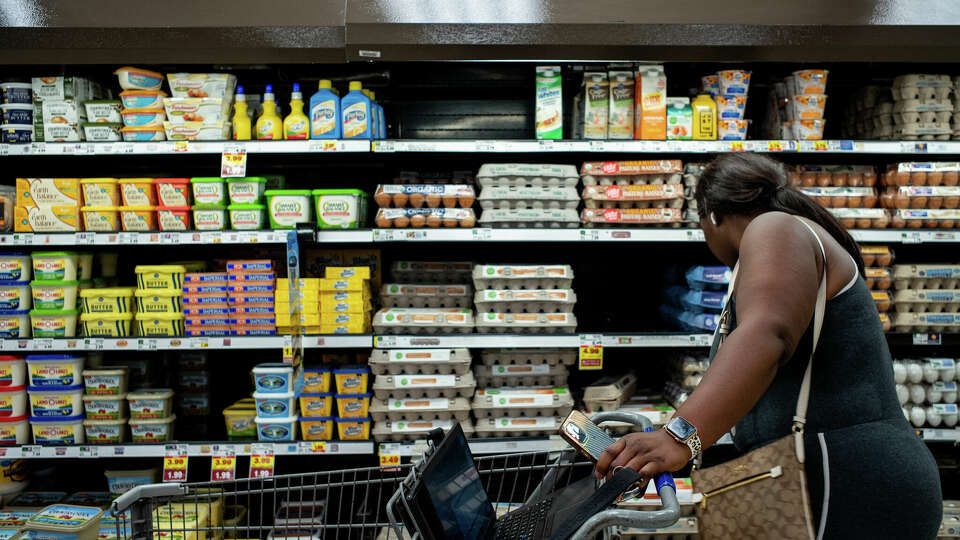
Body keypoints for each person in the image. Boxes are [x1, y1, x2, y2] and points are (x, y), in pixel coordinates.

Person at [595, 153, 942, 538]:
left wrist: (679, 437)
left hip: (851, 479)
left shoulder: (774, 228)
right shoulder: (780, 240)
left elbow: (767, 334)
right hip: (837, 477)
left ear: (711, 215)